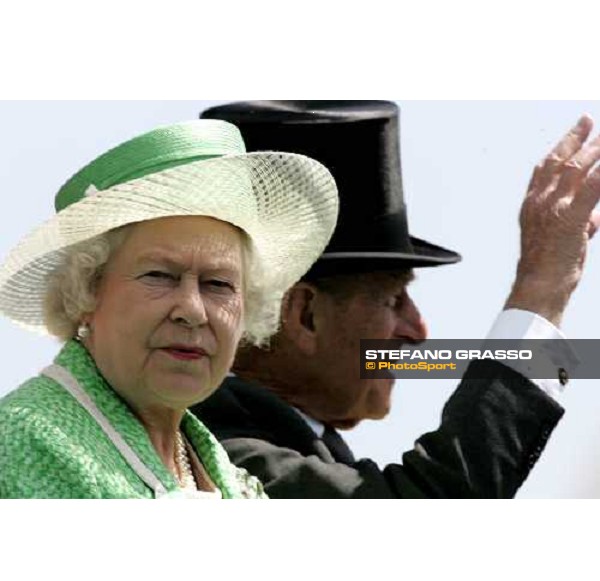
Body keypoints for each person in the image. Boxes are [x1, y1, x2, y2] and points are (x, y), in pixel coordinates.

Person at [193, 100, 600, 498]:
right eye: (393, 300)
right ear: (306, 315)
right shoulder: (218, 454)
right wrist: (541, 288)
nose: (418, 331)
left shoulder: (274, 444)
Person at [0, 118, 339, 498]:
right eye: (159, 276)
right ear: (87, 292)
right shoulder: (22, 442)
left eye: (218, 285)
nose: (192, 310)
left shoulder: (230, 478)